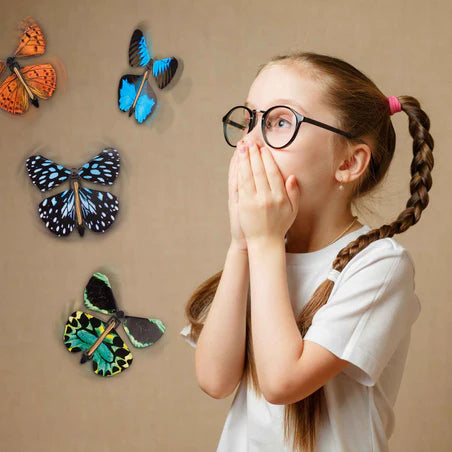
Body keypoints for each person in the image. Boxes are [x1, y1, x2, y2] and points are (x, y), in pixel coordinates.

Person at [180, 51, 434, 452]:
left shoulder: (380, 264)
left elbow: (282, 383)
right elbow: (214, 380)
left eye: (280, 122)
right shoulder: (260, 251)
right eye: (250, 119)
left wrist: (263, 244)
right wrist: (241, 244)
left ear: (349, 163)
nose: (249, 143)